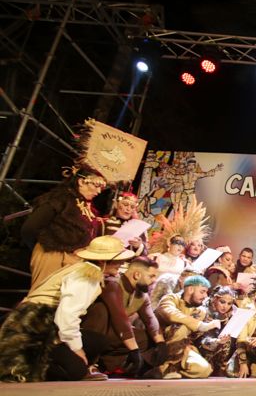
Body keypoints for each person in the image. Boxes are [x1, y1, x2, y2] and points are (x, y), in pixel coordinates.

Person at [0, 236, 134, 382]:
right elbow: (66, 316)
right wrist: (77, 349)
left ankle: (66, 360)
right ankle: (34, 366)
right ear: (103, 261)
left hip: (43, 324)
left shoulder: (82, 268)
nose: (121, 263)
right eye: (117, 260)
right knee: (75, 370)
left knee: (98, 341)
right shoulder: (87, 276)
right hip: (34, 329)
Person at [21, 164, 107, 289]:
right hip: (52, 255)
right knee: (44, 297)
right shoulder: (60, 198)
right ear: (81, 182)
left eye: (101, 188)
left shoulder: (86, 206)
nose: (99, 192)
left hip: (75, 260)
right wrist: (44, 247)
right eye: (96, 185)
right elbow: (29, 228)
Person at [81, 256, 161, 376]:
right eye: (151, 276)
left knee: (147, 338)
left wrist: (161, 343)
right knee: (101, 310)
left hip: (115, 334)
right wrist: (134, 350)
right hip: (91, 333)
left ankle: (120, 367)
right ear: (137, 275)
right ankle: (90, 363)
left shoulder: (141, 294)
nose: (155, 280)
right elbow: (119, 318)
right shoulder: (112, 284)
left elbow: (150, 319)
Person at [154, 275, 220, 379]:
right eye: (202, 291)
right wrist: (199, 325)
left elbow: (197, 336)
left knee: (204, 370)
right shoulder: (170, 298)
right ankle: (168, 366)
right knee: (182, 327)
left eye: (206, 292)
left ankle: (167, 369)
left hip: (183, 348)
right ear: (190, 289)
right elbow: (170, 314)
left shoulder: (200, 310)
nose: (205, 296)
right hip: (159, 345)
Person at [197, 286, 238, 376]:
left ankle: (223, 366)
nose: (225, 306)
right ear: (215, 299)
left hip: (219, 350)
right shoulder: (204, 311)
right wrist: (217, 341)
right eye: (222, 302)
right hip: (200, 348)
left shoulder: (230, 314)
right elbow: (201, 340)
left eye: (229, 303)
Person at [103, 191, 148, 256]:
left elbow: (145, 254)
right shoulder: (103, 223)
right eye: (125, 205)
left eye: (132, 207)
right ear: (116, 204)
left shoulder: (137, 228)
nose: (128, 209)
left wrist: (139, 246)